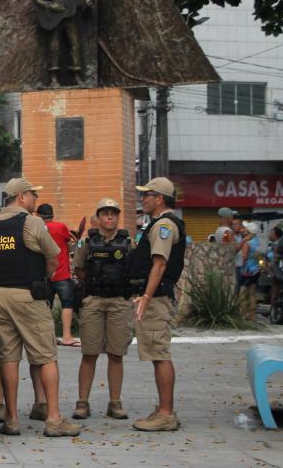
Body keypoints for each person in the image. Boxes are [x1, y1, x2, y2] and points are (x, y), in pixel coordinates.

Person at [0, 178, 81, 437]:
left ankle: (11, 420)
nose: (35, 199)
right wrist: (44, 278)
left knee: (7, 357)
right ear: (21, 197)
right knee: (45, 355)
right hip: (28, 296)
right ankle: (54, 419)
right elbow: (53, 256)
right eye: (33, 194)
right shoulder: (32, 223)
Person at [127, 177, 186, 431]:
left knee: (159, 354)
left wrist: (146, 297)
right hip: (157, 295)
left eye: (147, 195)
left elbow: (159, 263)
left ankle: (165, 414)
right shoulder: (162, 223)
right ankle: (163, 409)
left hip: (156, 298)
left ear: (159, 198)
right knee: (156, 353)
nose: (144, 199)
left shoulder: (164, 225)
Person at [71, 198, 133, 420]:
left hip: (119, 301)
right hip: (94, 301)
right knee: (89, 353)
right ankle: (82, 403)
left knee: (116, 354)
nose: (110, 217)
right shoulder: (86, 243)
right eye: (105, 213)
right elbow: (78, 270)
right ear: (97, 217)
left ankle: (115, 403)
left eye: (114, 213)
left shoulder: (128, 242)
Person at [36, 204, 79, 347]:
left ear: (38, 215)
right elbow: (71, 243)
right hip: (61, 273)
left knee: (45, 306)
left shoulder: (37, 228)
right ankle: (67, 336)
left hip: (44, 274)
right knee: (67, 303)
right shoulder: (61, 227)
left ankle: (47, 338)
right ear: (52, 214)